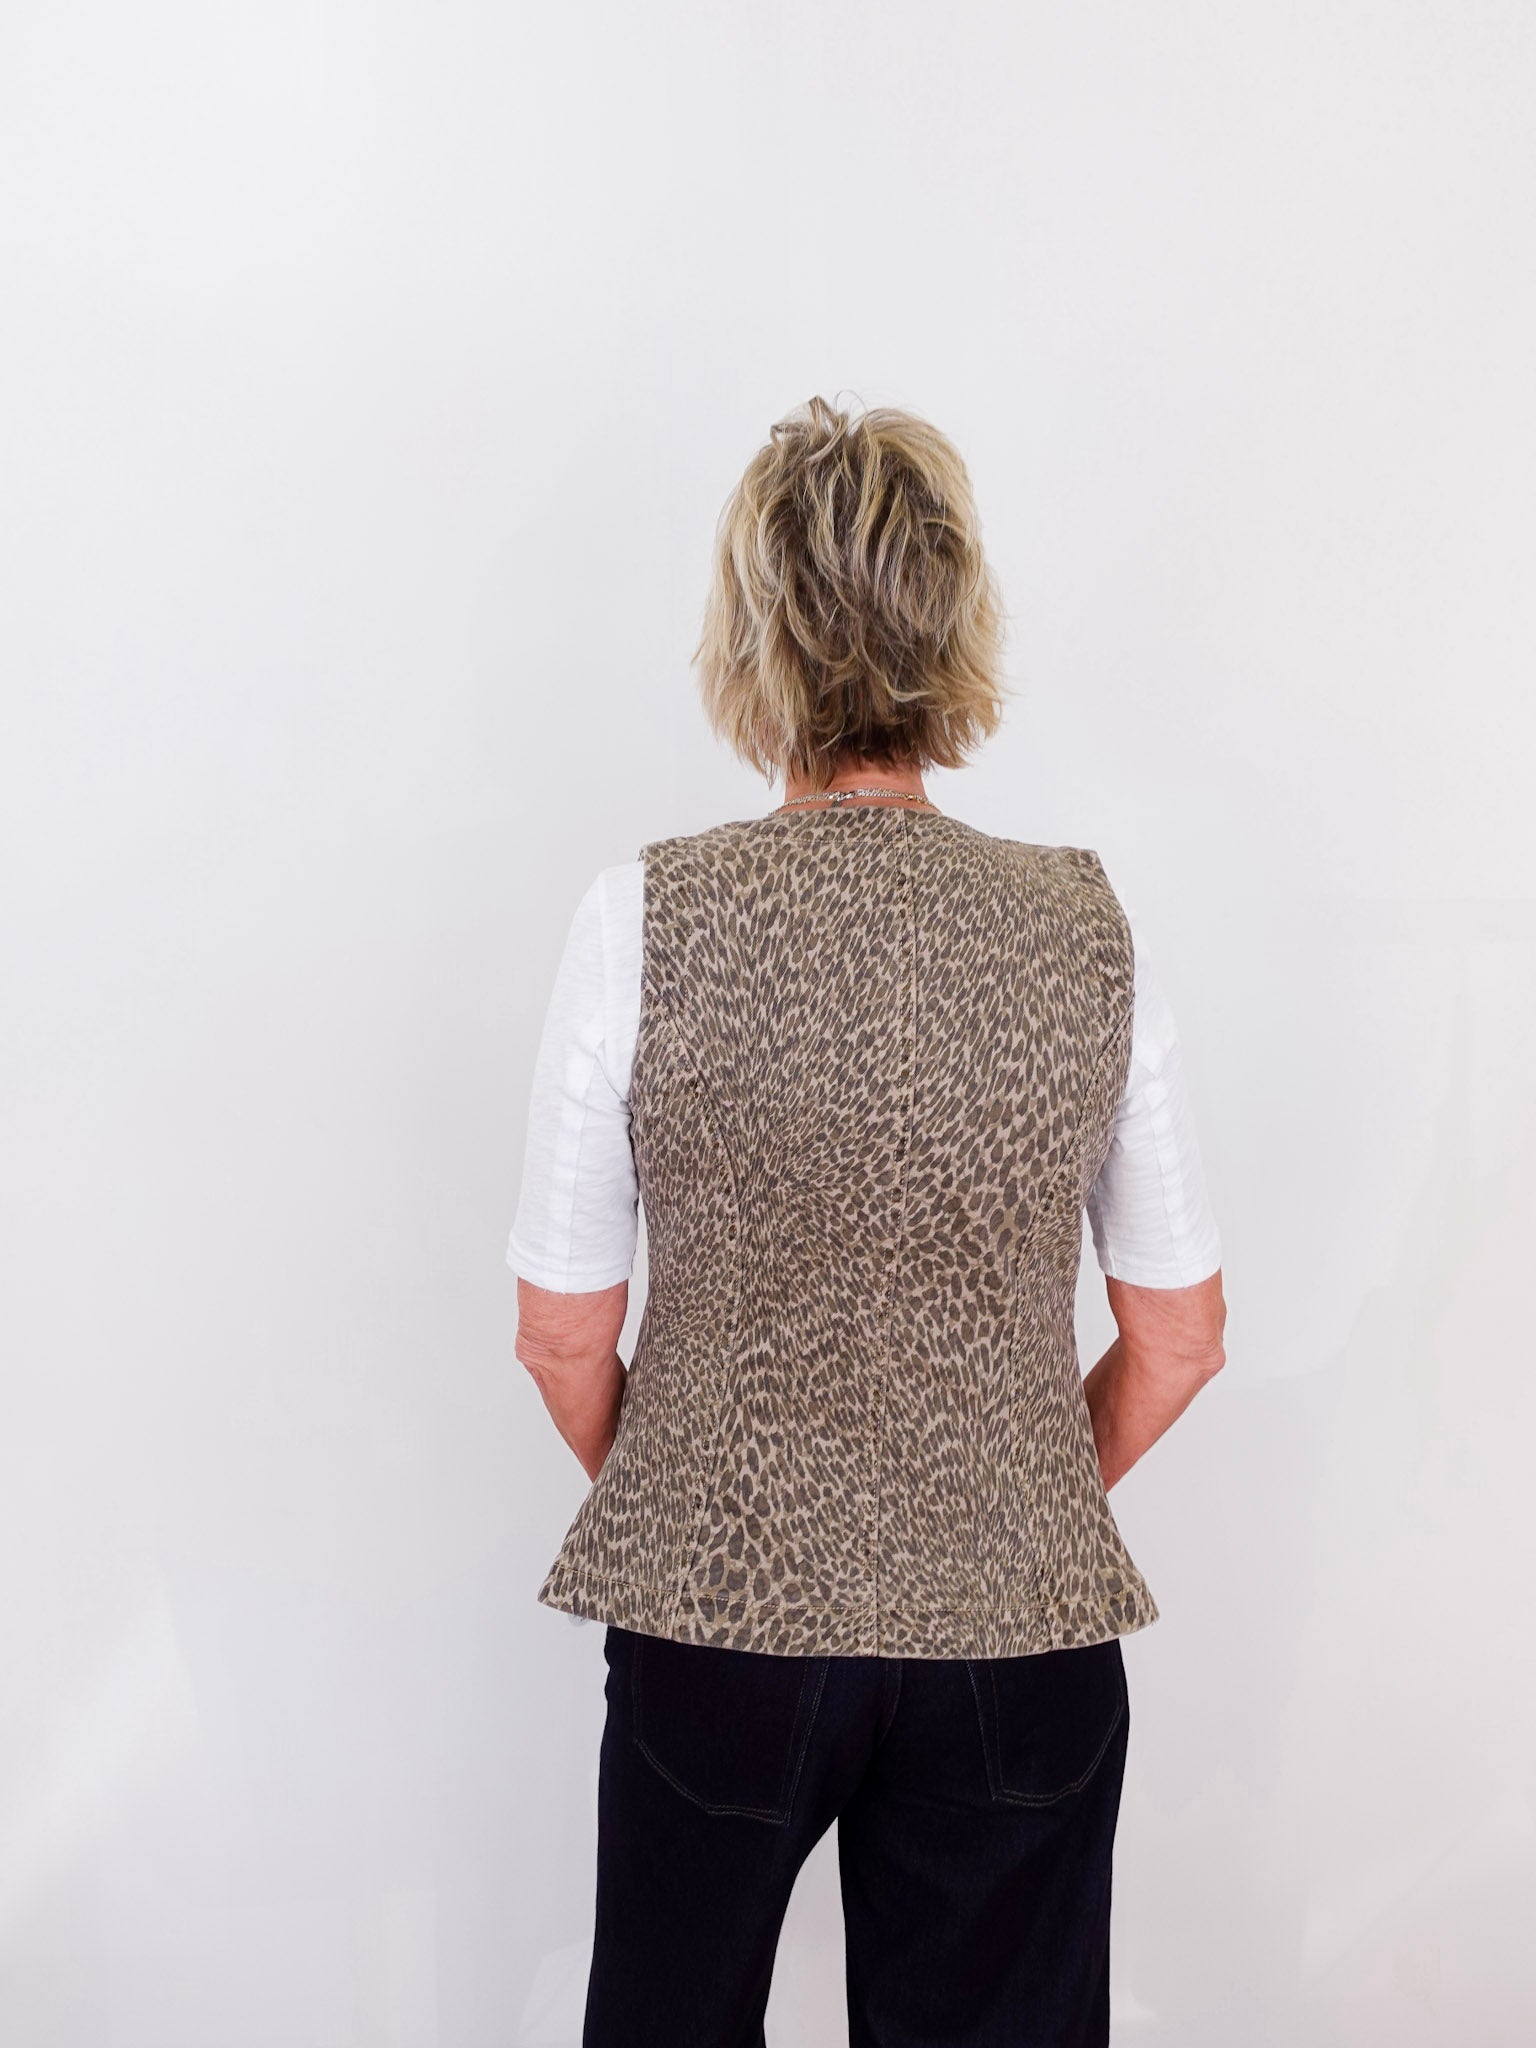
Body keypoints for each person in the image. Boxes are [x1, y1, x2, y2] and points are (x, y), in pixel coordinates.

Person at [507, 395, 1227, 2048]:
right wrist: (999, 1495)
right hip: (1016, 1633)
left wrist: (710, 1507)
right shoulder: (1085, 926)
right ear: (954, 622)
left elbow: (559, 1334)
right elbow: (1180, 1336)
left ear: (748, 635)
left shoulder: (642, 915)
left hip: (717, 1638)